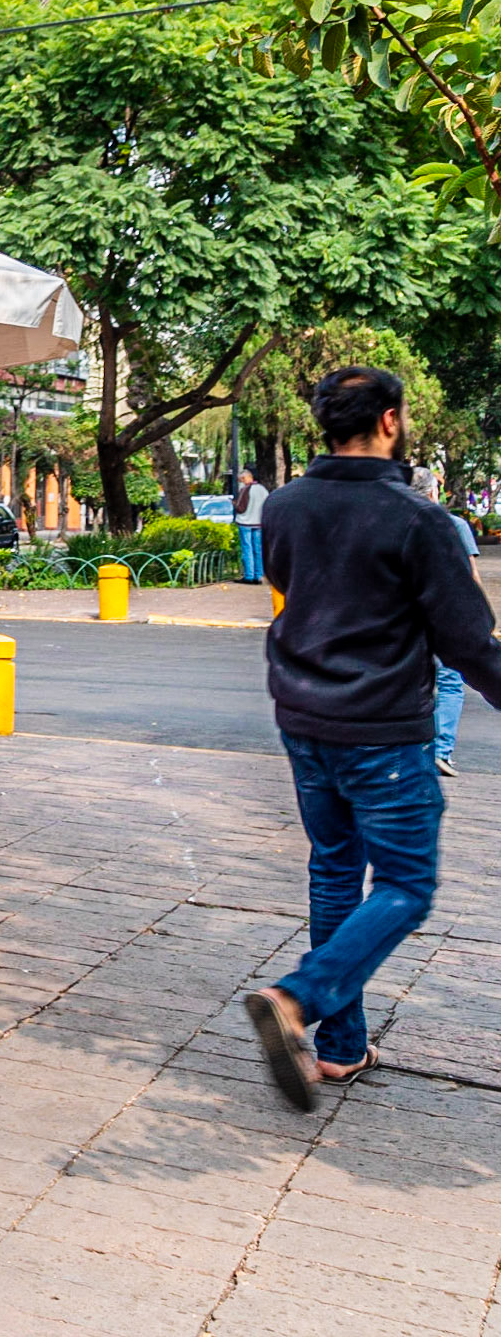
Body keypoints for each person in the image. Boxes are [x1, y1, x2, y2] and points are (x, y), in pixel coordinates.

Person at [245, 367, 501, 1111]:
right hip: (382, 732)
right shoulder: (415, 518)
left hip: (302, 719)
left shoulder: (284, 505)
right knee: (404, 886)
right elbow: (467, 641)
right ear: (388, 421)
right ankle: (297, 998)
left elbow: (297, 591)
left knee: (333, 872)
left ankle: (339, 1048)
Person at [409, 466, 482, 776]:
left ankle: (415, 751)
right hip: (446, 616)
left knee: (413, 683)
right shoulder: (454, 525)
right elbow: (470, 577)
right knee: (451, 683)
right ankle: (441, 750)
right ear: (432, 493)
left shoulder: (395, 524)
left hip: (408, 619)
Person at [234, 467, 269, 583]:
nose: (241, 482)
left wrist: (233, 503)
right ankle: (259, 575)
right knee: (258, 549)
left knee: (247, 548)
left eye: (241, 480)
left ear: (245, 478)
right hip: (258, 523)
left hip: (245, 522)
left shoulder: (246, 489)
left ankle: (249, 575)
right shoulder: (262, 489)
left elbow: (240, 508)